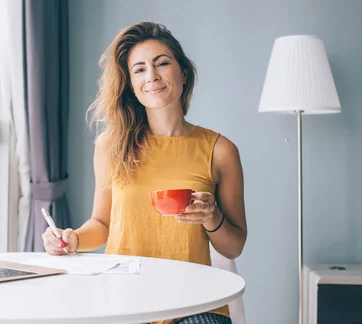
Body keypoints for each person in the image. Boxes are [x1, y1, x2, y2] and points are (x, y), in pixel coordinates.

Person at [42, 22, 247, 324]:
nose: (151, 76)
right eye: (139, 70)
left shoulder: (220, 150)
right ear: (131, 86)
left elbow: (234, 245)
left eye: (162, 63)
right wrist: (72, 239)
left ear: (184, 73)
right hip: (124, 301)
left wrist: (211, 217)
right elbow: (101, 223)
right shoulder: (110, 145)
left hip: (194, 303)